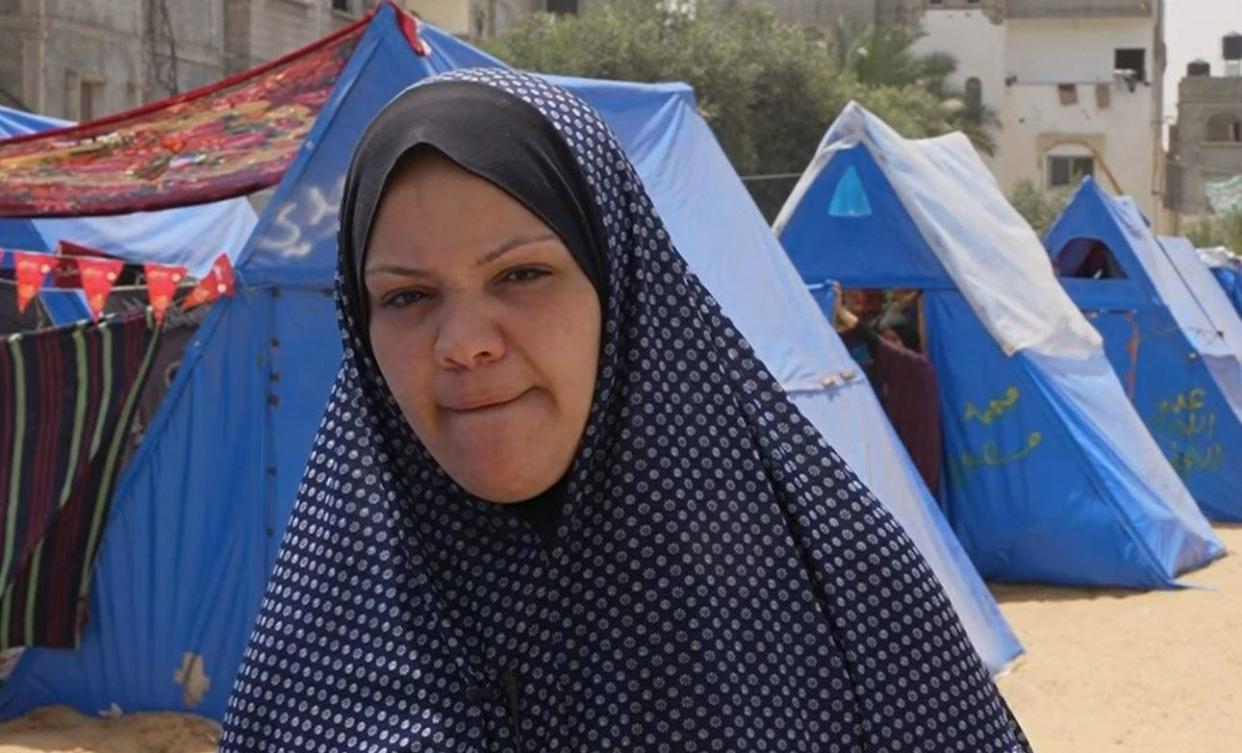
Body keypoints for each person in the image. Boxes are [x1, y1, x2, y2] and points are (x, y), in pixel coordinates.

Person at [219, 68, 1029, 752]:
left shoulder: (844, 604)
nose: (462, 343)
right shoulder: (320, 637)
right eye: (407, 296)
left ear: (624, 291)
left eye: (521, 275)